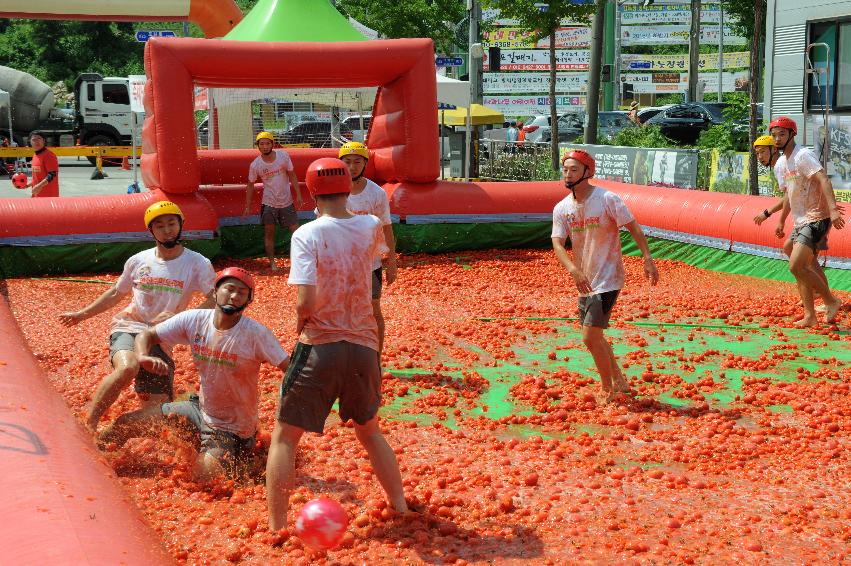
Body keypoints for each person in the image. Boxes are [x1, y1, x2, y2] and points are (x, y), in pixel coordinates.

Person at [266, 157, 408, 531]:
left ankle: (277, 526)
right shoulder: (370, 225)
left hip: (321, 344)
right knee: (370, 431)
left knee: (284, 436)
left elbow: (306, 300)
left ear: (312, 191)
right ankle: (400, 504)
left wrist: (298, 324)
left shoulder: (307, 234)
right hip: (364, 346)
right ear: (349, 185)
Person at [101, 267, 289, 481]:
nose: (234, 296)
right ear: (215, 293)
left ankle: (246, 453)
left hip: (232, 427)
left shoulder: (257, 334)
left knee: (204, 479)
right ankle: (93, 449)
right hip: (197, 409)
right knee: (126, 423)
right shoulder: (194, 319)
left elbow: (289, 368)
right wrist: (143, 356)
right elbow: (147, 334)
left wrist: (287, 418)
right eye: (229, 289)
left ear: (248, 301)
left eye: (242, 293)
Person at [59, 201, 216, 432]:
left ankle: (115, 430)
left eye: (172, 223)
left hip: (160, 336)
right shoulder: (138, 260)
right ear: (151, 231)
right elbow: (115, 292)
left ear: (181, 225)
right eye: (160, 225)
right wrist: (81, 315)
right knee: (127, 367)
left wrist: (181, 317)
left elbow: (214, 298)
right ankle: (88, 425)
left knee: (155, 412)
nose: (167, 229)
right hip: (129, 325)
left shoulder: (198, 263)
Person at [551, 150, 659, 402]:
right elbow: (557, 243)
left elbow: (633, 226)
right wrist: (573, 269)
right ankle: (619, 380)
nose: (568, 174)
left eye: (574, 169)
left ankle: (606, 389)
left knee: (589, 336)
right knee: (595, 336)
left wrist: (647, 258)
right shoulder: (562, 208)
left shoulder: (607, 199)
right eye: (565, 169)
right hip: (584, 279)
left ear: (588, 172)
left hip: (608, 277)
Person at [768, 116, 844, 326]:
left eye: (782, 134)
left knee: (796, 266)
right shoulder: (781, 164)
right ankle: (810, 315)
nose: (777, 139)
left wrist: (833, 210)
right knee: (790, 251)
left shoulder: (803, 156)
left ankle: (830, 300)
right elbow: (788, 197)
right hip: (801, 221)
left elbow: (823, 180)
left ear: (792, 134)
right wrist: (781, 222)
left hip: (817, 218)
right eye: (774, 135)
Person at [337, 141, 397, 355]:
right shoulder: (333, 189)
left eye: (357, 162)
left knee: (373, 310)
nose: (352, 166)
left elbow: (387, 227)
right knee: (342, 311)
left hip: (370, 263)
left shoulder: (376, 193)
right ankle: (347, 355)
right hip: (340, 264)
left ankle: (375, 357)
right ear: (340, 163)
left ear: (365, 164)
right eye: (347, 162)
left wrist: (391, 261)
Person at [243, 131, 304, 271]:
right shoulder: (255, 165)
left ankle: (300, 259)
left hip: (286, 201)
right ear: (257, 146)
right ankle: (272, 262)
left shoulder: (283, 156)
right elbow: (250, 185)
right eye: (261, 144)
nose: (265, 146)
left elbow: (292, 175)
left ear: (273, 144)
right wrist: (247, 205)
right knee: (269, 233)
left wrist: (299, 195)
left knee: (297, 231)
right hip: (269, 202)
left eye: (267, 143)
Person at [28, 130, 59, 197]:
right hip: (37, 195)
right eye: (34, 139)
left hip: (49, 196)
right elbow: (38, 177)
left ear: (44, 141)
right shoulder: (35, 155)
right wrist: (28, 185)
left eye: (39, 138)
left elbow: (52, 175)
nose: (36, 141)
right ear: (30, 142)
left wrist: (39, 186)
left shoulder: (49, 155)